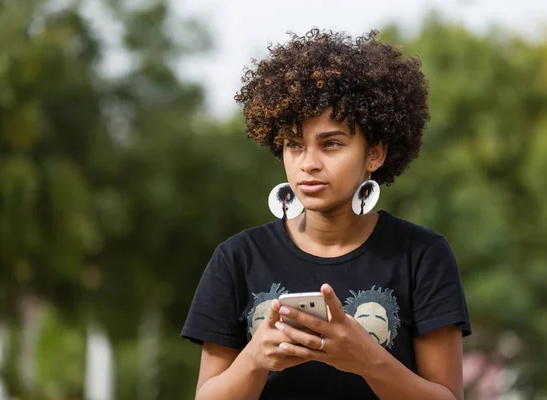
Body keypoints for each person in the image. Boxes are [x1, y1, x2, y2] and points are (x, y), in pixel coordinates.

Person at [182, 28, 471, 400]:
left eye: (331, 144)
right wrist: (255, 358)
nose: (309, 164)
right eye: (294, 145)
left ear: (375, 154)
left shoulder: (422, 255)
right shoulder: (237, 258)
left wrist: (367, 358)